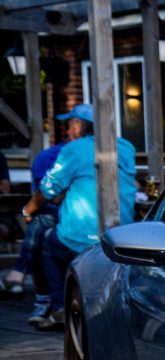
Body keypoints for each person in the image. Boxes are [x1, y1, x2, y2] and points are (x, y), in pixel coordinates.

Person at [21, 103, 137, 331]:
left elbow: (48, 190)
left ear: (82, 125)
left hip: (82, 238)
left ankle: (58, 307)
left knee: (48, 241)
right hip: (122, 235)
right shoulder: (125, 147)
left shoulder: (74, 149)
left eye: (71, 124)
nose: (68, 130)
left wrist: (28, 210)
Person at [4, 125, 76, 323]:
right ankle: (48, 301)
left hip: (81, 217)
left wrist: (28, 211)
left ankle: (41, 296)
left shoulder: (96, 153)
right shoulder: (48, 157)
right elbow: (51, 196)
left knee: (39, 227)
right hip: (59, 214)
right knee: (42, 229)